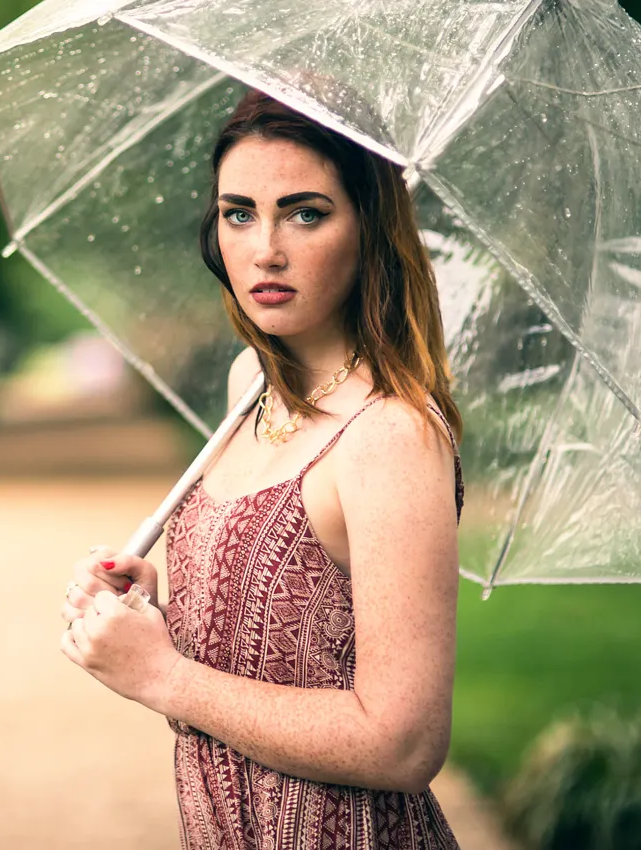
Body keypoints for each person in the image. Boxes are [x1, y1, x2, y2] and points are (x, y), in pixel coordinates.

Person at [59, 90, 465, 849]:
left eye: (306, 213)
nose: (265, 249)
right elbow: (276, 656)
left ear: (370, 228)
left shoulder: (388, 434)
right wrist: (157, 623)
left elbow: (404, 743)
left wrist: (164, 678)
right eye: (238, 212)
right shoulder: (249, 383)